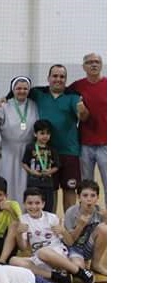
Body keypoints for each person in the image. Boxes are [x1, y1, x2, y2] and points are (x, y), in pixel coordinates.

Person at [24, 65, 89, 211]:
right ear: (48, 78)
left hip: (69, 152)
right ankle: (51, 226)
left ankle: (68, 226)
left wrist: (82, 111)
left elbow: (83, 117)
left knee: (69, 189)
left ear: (66, 79)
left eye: (62, 77)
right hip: (46, 153)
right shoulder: (39, 94)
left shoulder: (73, 97)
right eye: (55, 76)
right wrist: (5, 98)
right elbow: (20, 88)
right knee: (49, 191)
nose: (58, 79)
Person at [9, 187, 95, 283]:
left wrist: (63, 231)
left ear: (43, 204)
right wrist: (19, 234)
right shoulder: (23, 220)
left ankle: (79, 272)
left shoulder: (51, 217)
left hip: (57, 256)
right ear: (24, 204)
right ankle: (57, 276)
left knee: (43, 251)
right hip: (39, 259)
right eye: (30, 203)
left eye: (37, 203)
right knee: (13, 261)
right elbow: (23, 248)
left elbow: (69, 242)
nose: (33, 206)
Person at [0, 76, 39, 205]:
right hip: (8, 151)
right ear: (13, 89)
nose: (22, 91)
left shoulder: (35, 105)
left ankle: (25, 215)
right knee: (7, 182)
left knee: (25, 185)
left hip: (28, 152)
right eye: (18, 88)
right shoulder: (5, 106)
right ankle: (6, 212)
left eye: (25, 88)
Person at [69, 53, 107, 201]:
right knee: (86, 185)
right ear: (83, 66)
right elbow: (56, 91)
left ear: (101, 65)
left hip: (106, 145)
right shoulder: (77, 86)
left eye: (97, 62)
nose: (94, 64)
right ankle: (87, 216)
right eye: (90, 62)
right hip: (85, 145)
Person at [63, 180, 108, 276]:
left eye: (93, 195)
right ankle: (75, 261)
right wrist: (80, 226)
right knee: (78, 268)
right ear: (79, 197)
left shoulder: (100, 212)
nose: (89, 199)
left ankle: (96, 264)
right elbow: (70, 242)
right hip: (73, 248)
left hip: (88, 247)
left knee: (104, 228)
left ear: (98, 197)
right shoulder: (71, 212)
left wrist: (106, 219)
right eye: (85, 195)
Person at [22, 119, 60, 213]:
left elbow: (57, 166)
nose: (45, 136)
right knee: (32, 206)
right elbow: (24, 163)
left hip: (48, 184)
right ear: (35, 134)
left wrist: (49, 172)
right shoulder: (30, 147)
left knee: (48, 207)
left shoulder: (52, 149)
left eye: (47, 133)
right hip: (33, 183)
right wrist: (31, 171)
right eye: (42, 133)